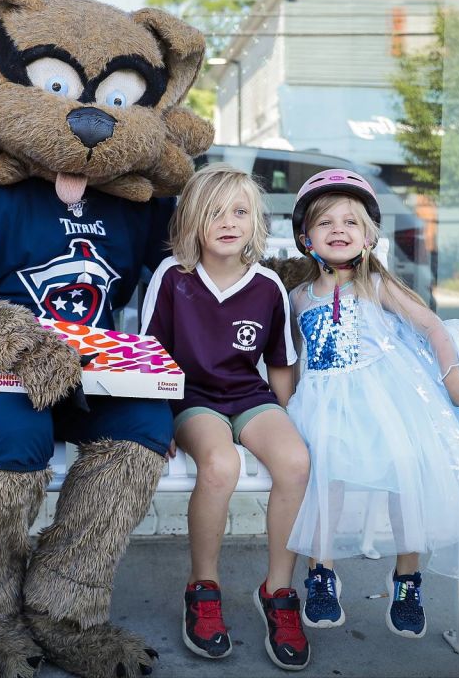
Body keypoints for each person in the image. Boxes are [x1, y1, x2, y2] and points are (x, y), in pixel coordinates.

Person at [283, 169, 459, 640]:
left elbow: (433, 328)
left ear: (368, 237)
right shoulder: (298, 297)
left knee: (407, 465)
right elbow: (292, 360)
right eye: (325, 223)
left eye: (350, 223)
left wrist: (453, 377)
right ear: (306, 237)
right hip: (325, 402)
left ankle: (406, 575)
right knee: (325, 470)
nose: (338, 229)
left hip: (384, 402)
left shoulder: (377, 286)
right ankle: (322, 572)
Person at [142, 163, 312, 671]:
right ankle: (204, 587)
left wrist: (285, 422)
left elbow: (280, 365)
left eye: (240, 211)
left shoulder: (267, 287)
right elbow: (148, 355)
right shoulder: (173, 278)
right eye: (214, 212)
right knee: (220, 466)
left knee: (297, 462)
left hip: (248, 395)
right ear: (193, 221)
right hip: (190, 398)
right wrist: (154, 420)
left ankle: (279, 592)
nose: (228, 221)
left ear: (256, 221)